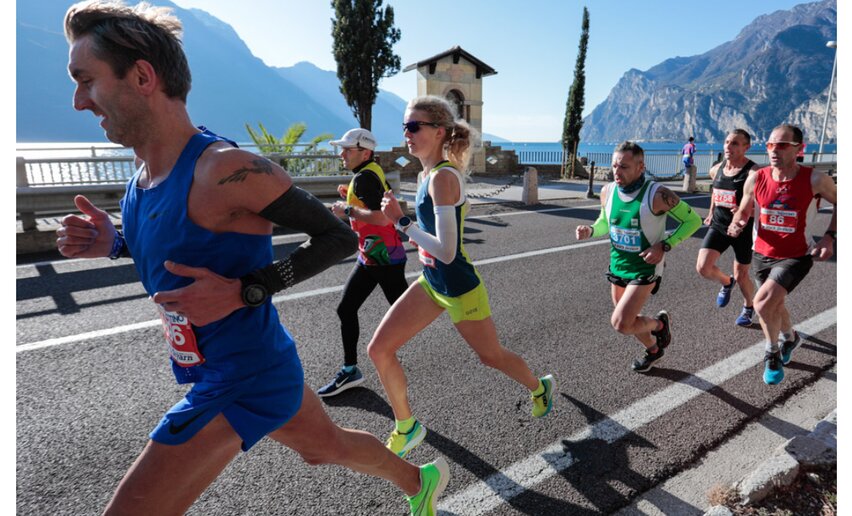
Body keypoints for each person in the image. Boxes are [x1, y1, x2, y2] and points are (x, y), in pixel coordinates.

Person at [56, 2, 448, 514]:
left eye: (86, 80)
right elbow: (182, 251)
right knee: (324, 447)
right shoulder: (141, 180)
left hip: (242, 377)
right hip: (249, 367)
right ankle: (419, 480)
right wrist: (115, 242)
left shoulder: (224, 169)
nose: (78, 101)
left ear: (143, 76)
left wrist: (248, 289)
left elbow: (334, 236)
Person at [371, 95, 555, 459]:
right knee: (378, 348)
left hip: (459, 288)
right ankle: (406, 427)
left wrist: (400, 221)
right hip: (431, 282)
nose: (406, 133)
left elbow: (447, 251)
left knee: (492, 356)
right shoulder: (425, 175)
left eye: (413, 126)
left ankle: (539, 386)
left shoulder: (442, 179)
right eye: (404, 127)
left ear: (439, 132)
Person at [575, 141, 702, 372]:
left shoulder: (657, 194)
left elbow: (693, 221)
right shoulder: (608, 191)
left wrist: (664, 245)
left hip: (645, 267)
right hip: (618, 265)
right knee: (629, 321)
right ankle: (654, 350)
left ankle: (659, 325)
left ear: (640, 167)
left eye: (623, 166)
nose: (616, 171)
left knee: (621, 323)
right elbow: (605, 222)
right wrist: (591, 230)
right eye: (614, 165)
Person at [728, 124, 836, 385]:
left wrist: (830, 236)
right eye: (770, 145)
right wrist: (737, 222)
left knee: (763, 304)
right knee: (775, 304)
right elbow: (743, 210)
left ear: (800, 149)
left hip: (796, 255)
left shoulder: (815, 180)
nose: (774, 151)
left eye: (782, 145)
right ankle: (790, 337)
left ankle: (771, 352)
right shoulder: (757, 177)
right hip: (761, 254)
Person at [318, 128, 408, 397]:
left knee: (408, 312)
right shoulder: (368, 174)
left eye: (347, 149)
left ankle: (464, 325)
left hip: (383, 259)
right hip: (375, 255)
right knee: (347, 309)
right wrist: (351, 195)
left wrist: (346, 209)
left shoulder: (365, 178)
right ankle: (350, 370)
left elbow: (381, 218)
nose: (342, 154)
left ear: (365, 152)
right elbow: (378, 201)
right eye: (342, 149)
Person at [696, 129, 757, 326]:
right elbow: (716, 190)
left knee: (742, 275)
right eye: (727, 142)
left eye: (735, 144)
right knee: (703, 268)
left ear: (746, 148)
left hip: (742, 229)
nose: (729, 147)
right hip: (720, 225)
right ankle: (726, 282)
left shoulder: (753, 173)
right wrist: (711, 211)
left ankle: (749, 306)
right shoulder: (716, 169)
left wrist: (745, 209)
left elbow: (765, 205)